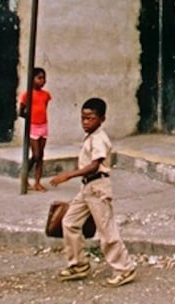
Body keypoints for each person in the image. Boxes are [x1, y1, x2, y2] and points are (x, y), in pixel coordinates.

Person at [50, 97, 136, 287]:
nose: (86, 122)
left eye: (90, 118)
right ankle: (78, 263)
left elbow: (95, 165)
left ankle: (124, 268)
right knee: (70, 222)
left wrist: (68, 175)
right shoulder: (90, 137)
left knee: (107, 231)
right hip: (87, 188)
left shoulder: (100, 139)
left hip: (98, 188)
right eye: (83, 118)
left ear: (102, 119)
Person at [18, 67, 51, 192]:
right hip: (33, 127)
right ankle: (24, 175)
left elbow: (44, 108)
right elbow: (21, 112)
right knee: (36, 155)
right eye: (39, 78)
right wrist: (30, 117)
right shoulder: (27, 95)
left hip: (43, 126)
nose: (43, 81)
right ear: (32, 79)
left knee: (40, 156)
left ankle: (37, 182)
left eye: (44, 78)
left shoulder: (46, 95)